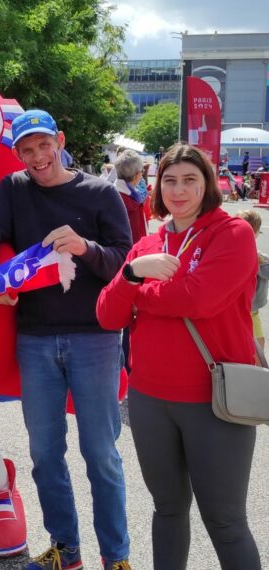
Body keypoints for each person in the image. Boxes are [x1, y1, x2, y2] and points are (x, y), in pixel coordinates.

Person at [0, 109, 133, 570]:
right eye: (26, 149)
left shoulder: (99, 191)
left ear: (59, 140)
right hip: (35, 339)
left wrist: (85, 247)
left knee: (100, 454)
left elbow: (125, 261)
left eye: (43, 145)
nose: (37, 157)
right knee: (44, 455)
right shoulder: (13, 189)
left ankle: (116, 558)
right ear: (16, 153)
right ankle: (66, 549)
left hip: (95, 337)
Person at [97, 143, 262, 570]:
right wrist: (133, 273)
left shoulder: (233, 233)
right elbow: (107, 313)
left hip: (215, 398)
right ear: (156, 185)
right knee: (167, 509)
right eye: (169, 180)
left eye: (190, 179)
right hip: (151, 398)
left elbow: (198, 299)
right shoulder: (149, 244)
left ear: (208, 184)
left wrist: (140, 291)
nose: (178, 190)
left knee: (225, 521)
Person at [235, 209, 269, 350]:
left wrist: (260, 262)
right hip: (243, 308)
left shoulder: (260, 257)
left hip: (250, 309)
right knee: (257, 345)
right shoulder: (233, 253)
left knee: (258, 343)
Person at [114, 149, 148, 245]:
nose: (142, 174)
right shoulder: (129, 202)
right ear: (136, 175)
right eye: (142, 171)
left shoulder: (114, 193)